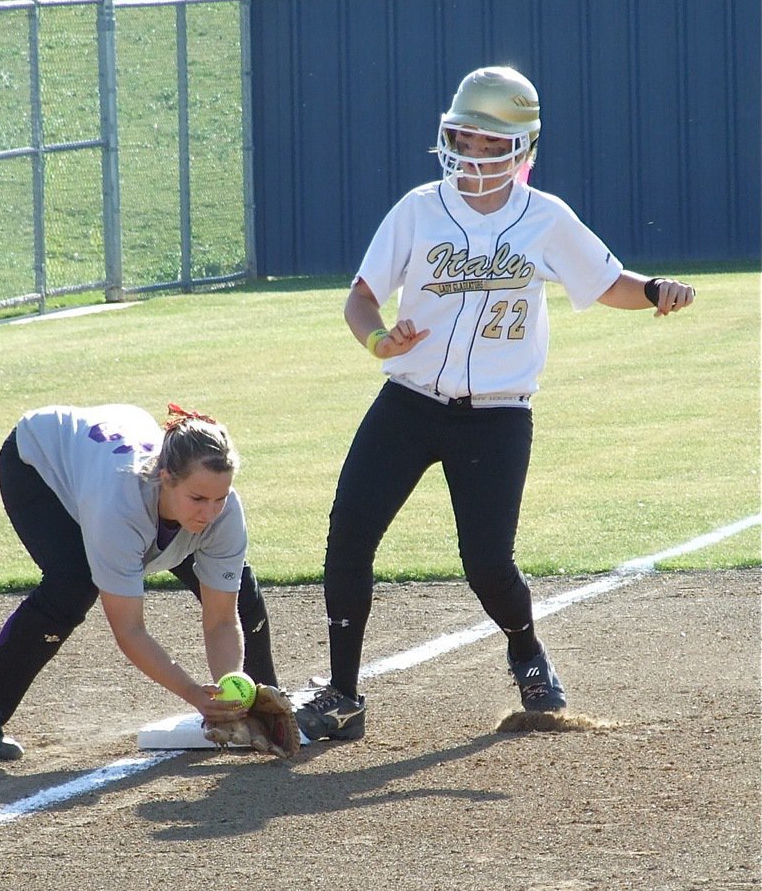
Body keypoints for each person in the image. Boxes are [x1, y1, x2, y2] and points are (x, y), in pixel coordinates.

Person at [296, 65, 696, 743]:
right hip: (408, 399)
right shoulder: (420, 209)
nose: (474, 155)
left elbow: (605, 282)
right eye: (464, 138)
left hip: (499, 413)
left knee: (486, 562)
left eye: (491, 143)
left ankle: (525, 648)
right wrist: (378, 340)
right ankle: (342, 695)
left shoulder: (545, 219)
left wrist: (655, 289)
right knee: (349, 533)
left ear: (523, 149)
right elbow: (360, 296)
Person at [0, 402, 282, 759]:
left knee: (240, 594)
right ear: (167, 477)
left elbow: (221, 619)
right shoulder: (119, 509)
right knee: (72, 585)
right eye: (198, 498)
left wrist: (229, 693)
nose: (209, 512)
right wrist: (194, 695)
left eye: (219, 498)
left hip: (114, 458)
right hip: (40, 463)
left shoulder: (223, 514)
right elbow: (129, 630)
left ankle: (260, 707)